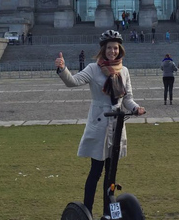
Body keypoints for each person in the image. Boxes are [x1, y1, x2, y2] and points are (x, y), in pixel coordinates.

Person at [54, 30, 145, 217]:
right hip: (99, 125)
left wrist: (136, 108)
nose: (112, 51)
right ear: (103, 49)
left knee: (111, 175)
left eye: (115, 48)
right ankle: (86, 211)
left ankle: (108, 213)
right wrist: (63, 69)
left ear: (120, 49)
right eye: (109, 48)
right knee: (96, 172)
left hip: (116, 127)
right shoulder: (93, 68)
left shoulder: (124, 70)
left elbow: (128, 98)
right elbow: (73, 82)